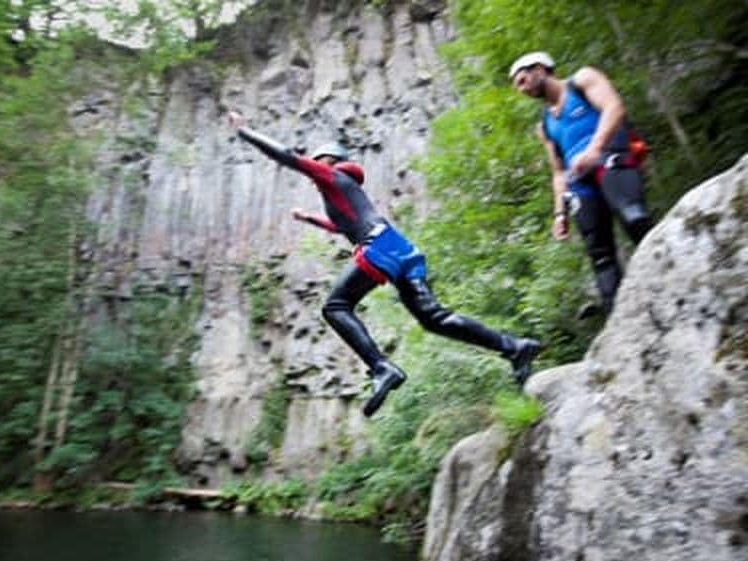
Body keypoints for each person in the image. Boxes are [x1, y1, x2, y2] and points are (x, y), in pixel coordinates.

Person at [227, 111, 540, 417]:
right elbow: (343, 226)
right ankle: (514, 346)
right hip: (400, 247)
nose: (312, 167)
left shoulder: (330, 175)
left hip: (378, 246)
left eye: (315, 160)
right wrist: (309, 218)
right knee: (433, 318)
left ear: (327, 161)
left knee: (335, 307)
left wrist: (245, 132)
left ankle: (381, 367)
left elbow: (285, 156)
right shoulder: (346, 188)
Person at [509, 52, 653, 315]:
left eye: (523, 79)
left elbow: (614, 108)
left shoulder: (583, 80)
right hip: (579, 183)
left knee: (634, 218)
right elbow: (557, 171)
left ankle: (668, 275)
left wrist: (594, 149)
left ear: (540, 69)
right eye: (518, 85)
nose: (523, 88)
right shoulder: (545, 124)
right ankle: (619, 320)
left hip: (609, 156)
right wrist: (559, 213)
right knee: (600, 256)